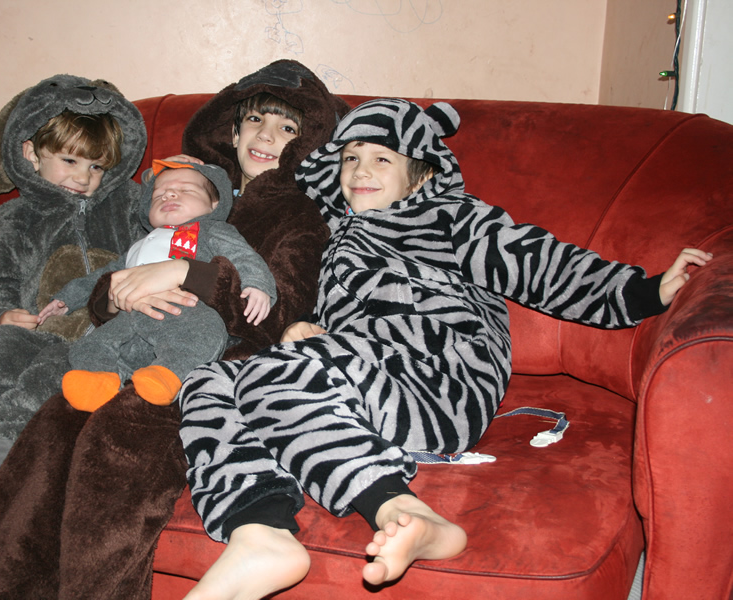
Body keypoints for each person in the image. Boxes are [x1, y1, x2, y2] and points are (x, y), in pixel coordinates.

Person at [176, 98, 714, 600]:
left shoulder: (448, 216)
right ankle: (259, 530)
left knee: (273, 376)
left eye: (382, 159)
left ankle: (401, 509)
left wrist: (646, 291)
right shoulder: (338, 231)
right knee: (207, 380)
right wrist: (307, 327)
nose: (360, 171)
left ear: (422, 174)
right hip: (365, 372)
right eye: (351, 158)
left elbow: (541, 264)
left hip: (441, 375)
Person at [0, 60, 351, 600]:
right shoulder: (177, 191)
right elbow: (117, 273)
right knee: (54, 426)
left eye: (287, 128)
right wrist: (114, 292)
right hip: (128, 335)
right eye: (256, 120)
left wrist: (186, 273)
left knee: (120, 439)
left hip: (211, 358)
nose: (266, 137)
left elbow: (277, 313)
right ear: (233, 130)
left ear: (307, 143)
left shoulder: (298, 215)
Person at [0, 74, 218, 539]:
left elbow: (179, 207)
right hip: (34, 328)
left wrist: (183, 173)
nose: (83, 178)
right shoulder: (12, 220)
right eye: (69, 161)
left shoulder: (129, 204)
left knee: (39, 382)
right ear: (31, 153)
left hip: (103, 340)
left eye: (97, 167)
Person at [42, 159, 275, 409]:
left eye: (186, 190)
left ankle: (167, 374)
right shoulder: (138, 245)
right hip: (130, 315)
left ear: (214, 204)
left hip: (184, 312)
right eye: (158, 194)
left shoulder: (210, 229)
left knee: (207, 331)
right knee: (90, 344)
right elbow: (101, 277)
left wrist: (258, 284)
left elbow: (243, 256)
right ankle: (96, 379)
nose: (169, 194)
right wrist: (67, 298)